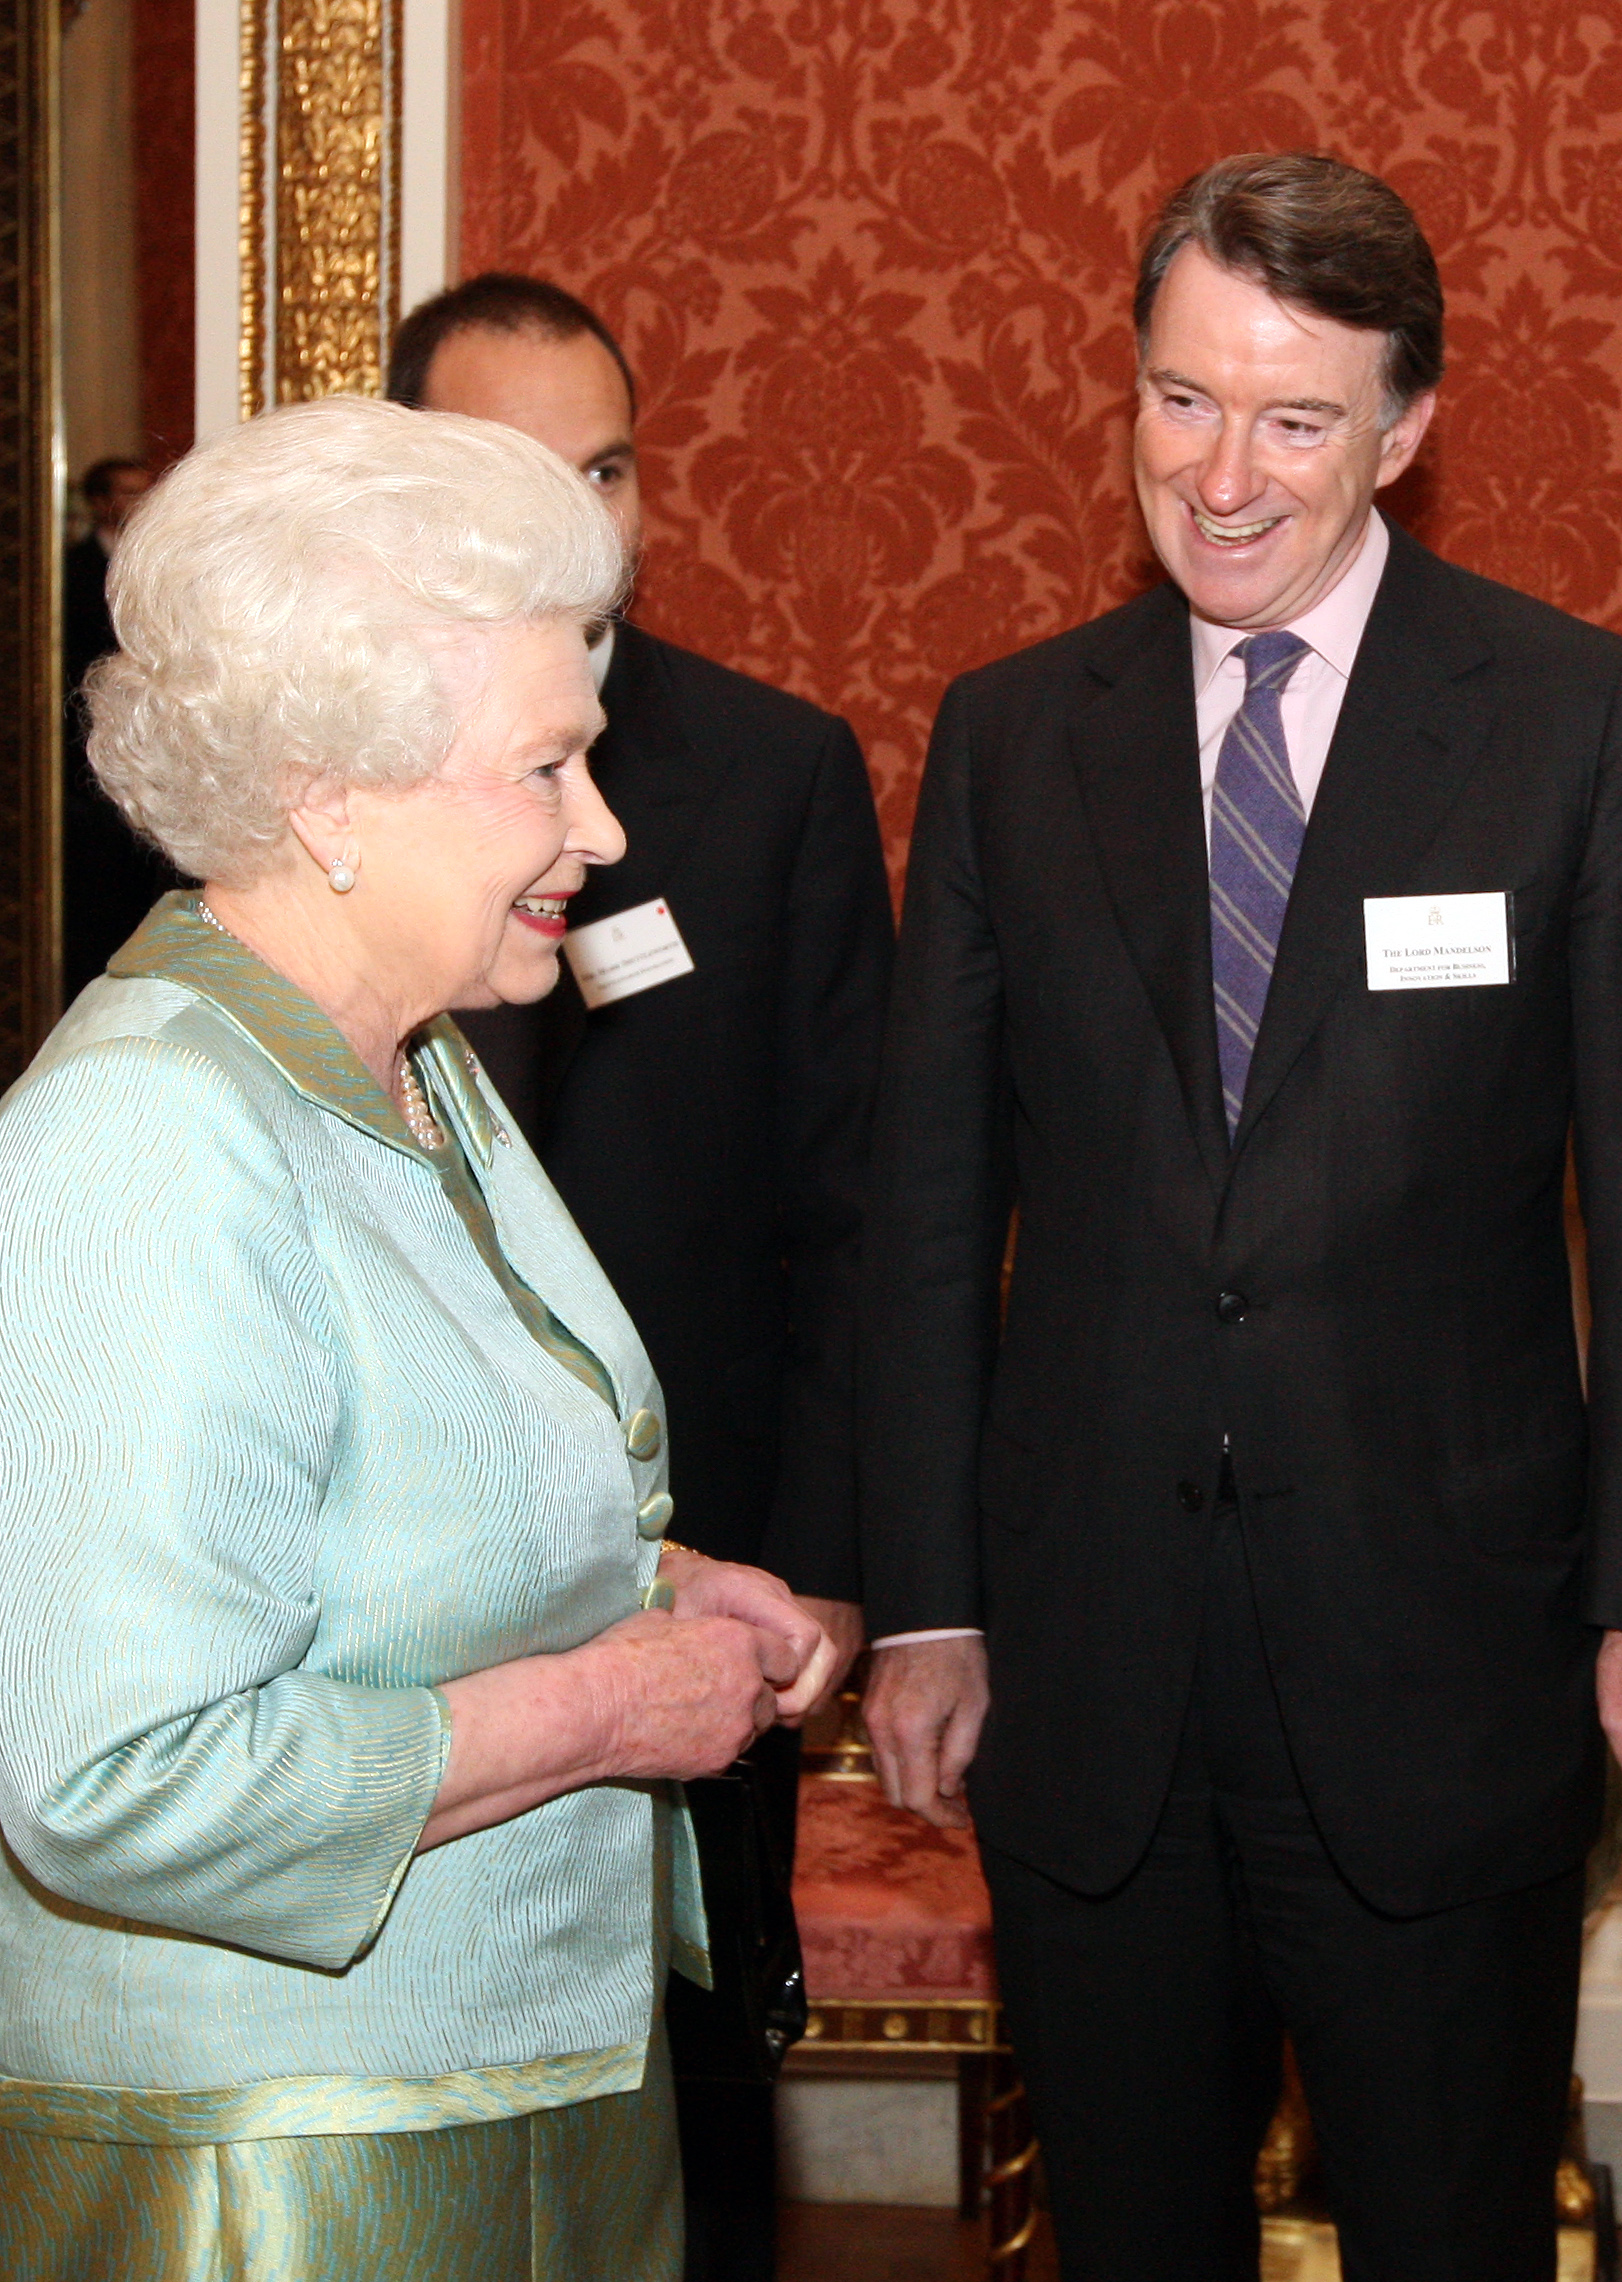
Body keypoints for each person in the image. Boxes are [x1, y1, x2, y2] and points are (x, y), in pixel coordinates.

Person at [858, 151, 1622, 2281]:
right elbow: (923, 1205)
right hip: (1091, 1695)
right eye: (1181, 400)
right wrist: (922, 1598)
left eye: (1294, 418)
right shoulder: (1011, 739)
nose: (1223, 474)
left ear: (1407, 430)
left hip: (1446, 1678)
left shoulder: (1579, 723)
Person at [0, 394, 837, 2282]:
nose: (601, 830)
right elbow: (115, 1775)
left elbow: (380, 1515)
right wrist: (606, 1705)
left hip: (500, 2105)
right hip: (286, 2180)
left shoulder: (411, 1070)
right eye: (546, 768)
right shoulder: (140, 1139)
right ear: (328, 794)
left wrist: (662, 1580)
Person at [388, 274, 895, 2282]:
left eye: (605, 470)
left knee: (697, 2093)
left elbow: (856, 1210)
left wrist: (835, 1551)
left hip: (697, 1567)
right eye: (519, 475)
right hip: (409, 1595)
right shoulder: (313, 791)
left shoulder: (765, 776)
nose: (576, 529)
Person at [62, 454, 174, 1001]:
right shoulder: (67, 574)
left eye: (145, 490)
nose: (139, 503)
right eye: (129, 492)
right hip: (83, 776)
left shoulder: (158, 571)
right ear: (100, 502)